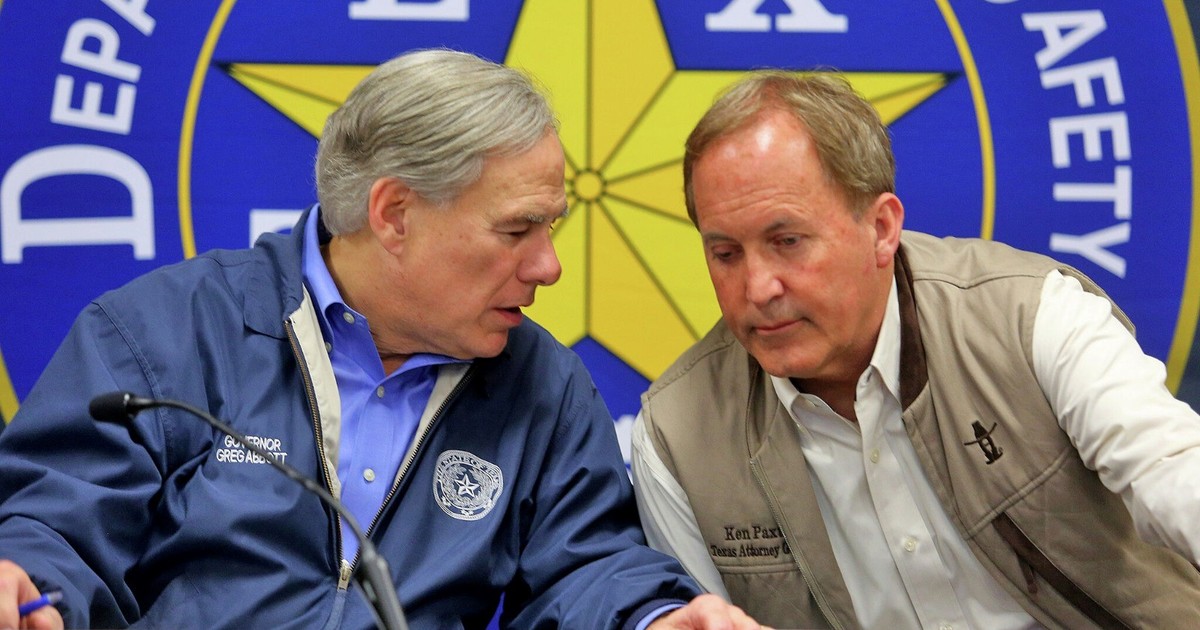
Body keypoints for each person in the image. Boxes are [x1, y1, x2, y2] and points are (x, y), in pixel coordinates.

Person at [0, 49, 765, 630]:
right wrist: (24, 578)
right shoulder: (164, 332)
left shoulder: (542, 387)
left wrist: (654, 618)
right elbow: (54, 520)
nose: (549, 267)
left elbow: (588, 566)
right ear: (395, 214)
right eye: (517, 230)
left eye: (551, 228)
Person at [631, 70, 1200, 629]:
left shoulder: (1031, 318)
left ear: (882, 228)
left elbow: (1172, 471)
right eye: (726, 254)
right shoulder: (676, 437)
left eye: (787, 242)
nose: (757, 289)